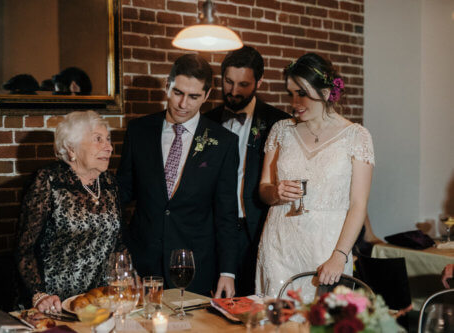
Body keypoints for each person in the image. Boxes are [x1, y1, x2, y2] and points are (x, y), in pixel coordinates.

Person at [117, 54, 240, 298]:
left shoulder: (224, 142)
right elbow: (122, 195)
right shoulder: (138, 130)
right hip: (143, 264)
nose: (183, 104)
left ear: (206, 95)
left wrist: (228, 272)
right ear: (167, 86)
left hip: (194, 265)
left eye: (193, 96)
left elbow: (226, 213)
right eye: (178, 93)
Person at [256, 53, 375, 298]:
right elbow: (263, 189)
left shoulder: (356, 136)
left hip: (327, 250)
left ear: (324, 92)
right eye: (291, 94)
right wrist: (276, 192)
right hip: (279, 247)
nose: (294, 102)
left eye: (302, 93)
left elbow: (358, 205)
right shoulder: (281, 131)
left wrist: (340, 255)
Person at [15, 110, 122, 312]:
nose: (109, 147)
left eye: (108, 140)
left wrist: (128, 277)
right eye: (98, 140)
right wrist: (39, 295)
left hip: (98, 302)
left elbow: (118, 243)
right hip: (53, 304)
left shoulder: (109, 183)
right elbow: (24, 249)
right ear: (70, 148)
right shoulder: (49, 181)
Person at [205, 46, 290, 296]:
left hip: (256, 228)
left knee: (253, 302)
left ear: (259, 82)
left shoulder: (278, 123)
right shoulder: (206, 122)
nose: (233, 91)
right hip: (213, 229)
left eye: (243, 84)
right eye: (228, 82)